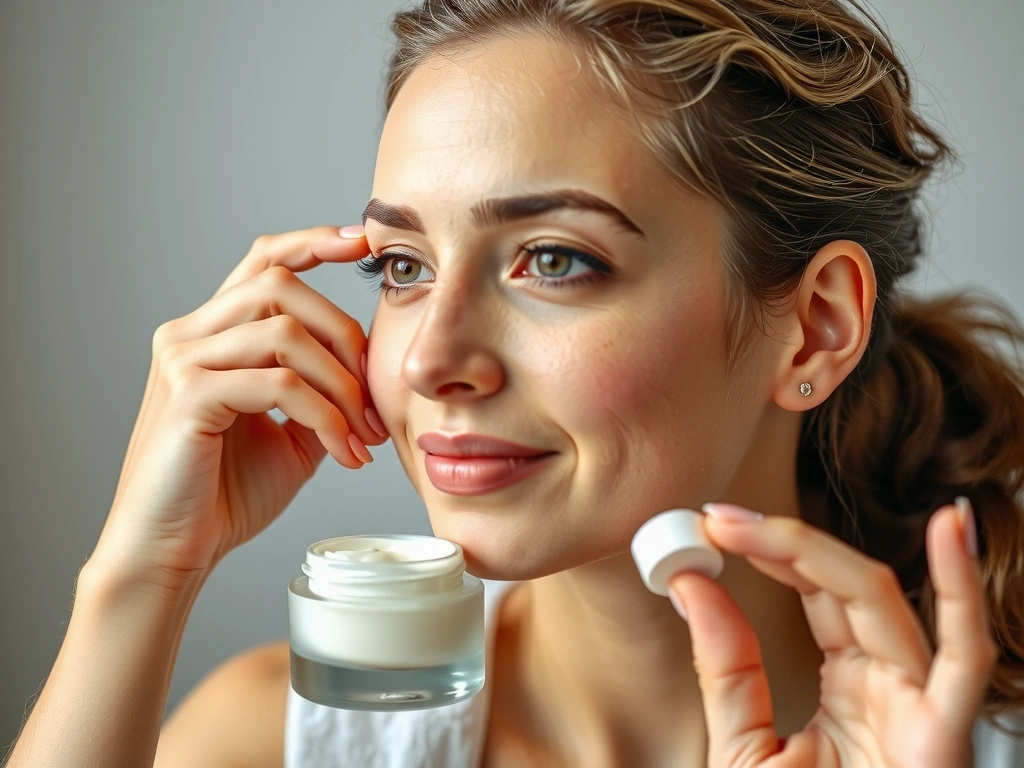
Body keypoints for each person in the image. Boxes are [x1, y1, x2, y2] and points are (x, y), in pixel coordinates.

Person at [6, 0, 1024, 766]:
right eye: (401, 267)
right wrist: (140, 579)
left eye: (552, 259)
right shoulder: (270, 738)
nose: (428, 360)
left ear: (813, 328)